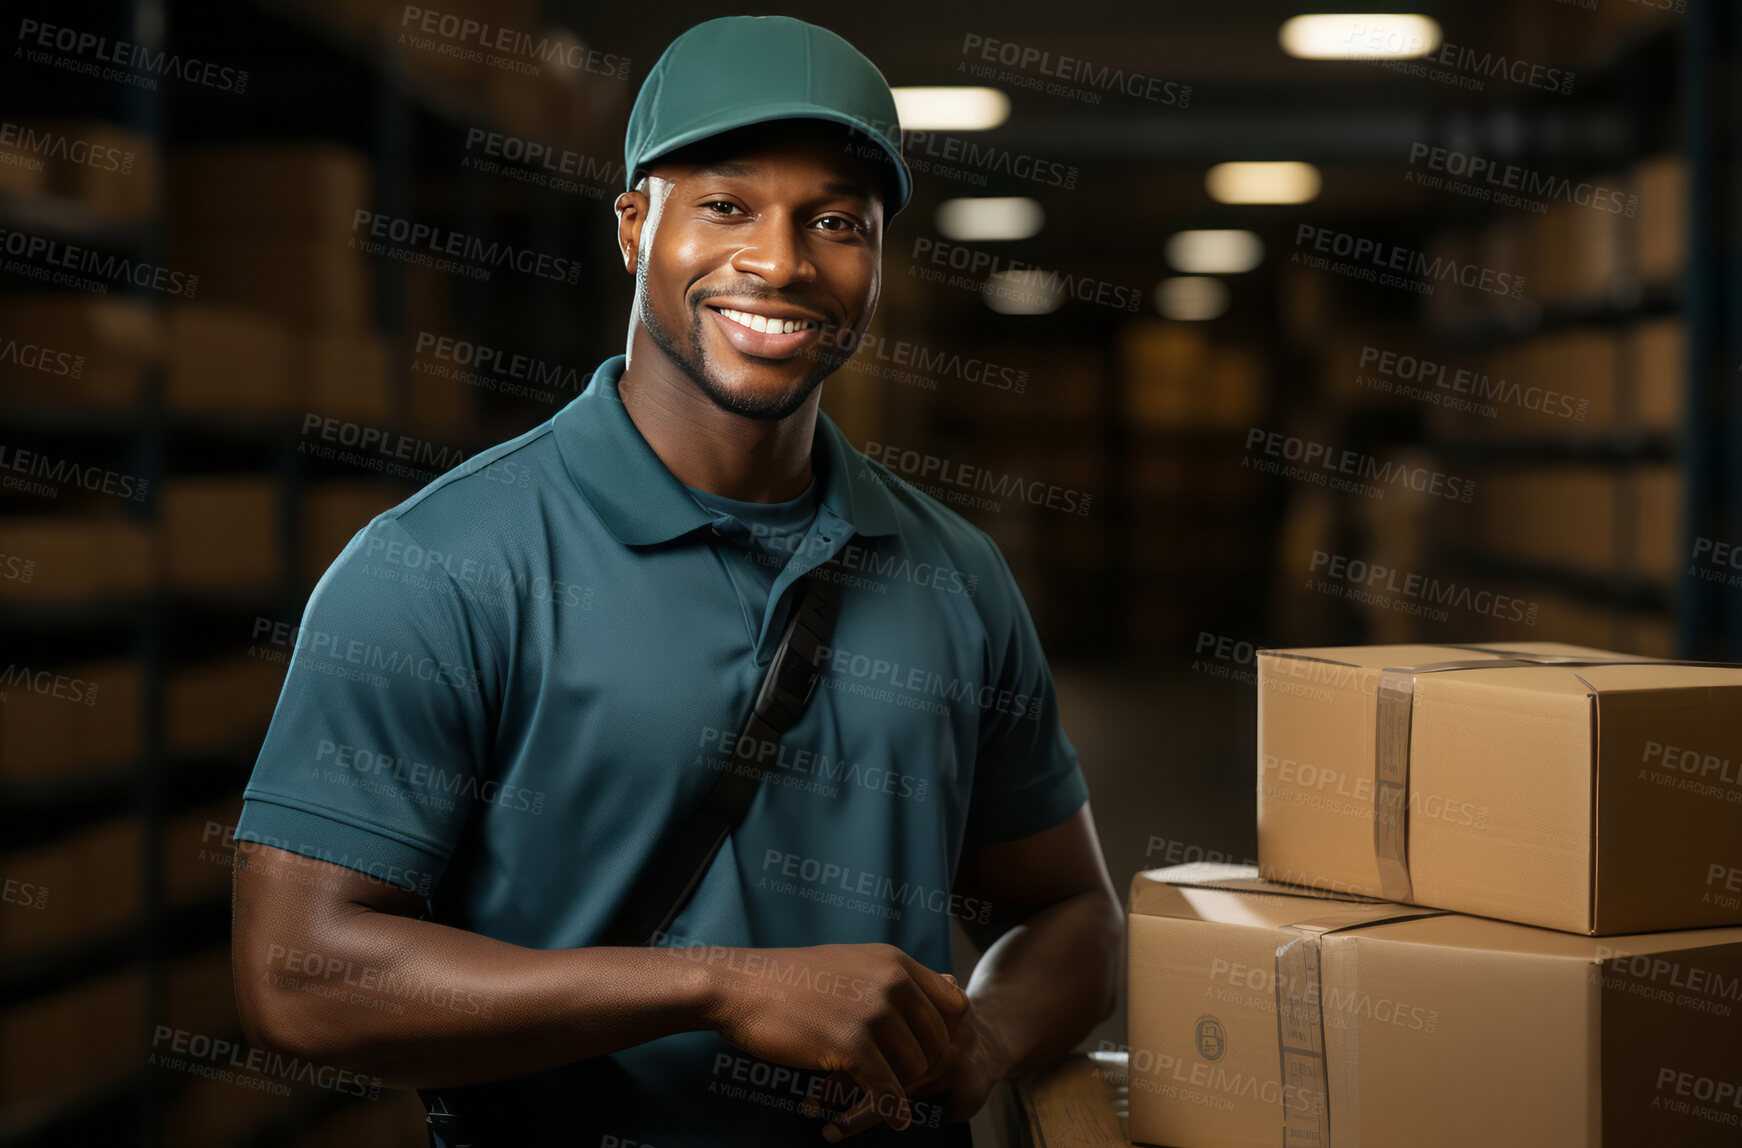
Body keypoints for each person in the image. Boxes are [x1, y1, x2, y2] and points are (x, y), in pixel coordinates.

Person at [230, 15, 1121, 1146]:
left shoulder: (954, 573)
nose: (783, 261)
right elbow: (295, 976)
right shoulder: (442, 566)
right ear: (634, 225)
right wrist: (722, 985)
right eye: (727, 205)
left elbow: (1072, 909)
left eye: (837, 221)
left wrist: (982, 1036)